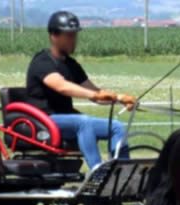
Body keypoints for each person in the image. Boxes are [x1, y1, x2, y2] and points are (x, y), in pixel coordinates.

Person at [26, 10, 137, 169]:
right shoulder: (42, 62)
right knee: (84, 123)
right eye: (69, 35)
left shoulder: (71, 65)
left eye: (75, 35)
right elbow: (62, 86)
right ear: (54, 36)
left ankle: (121, 172)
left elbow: (95, 94)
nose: (74, 40)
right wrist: (96, 94)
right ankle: (97, 173)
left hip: (68, 120)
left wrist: (120, 98)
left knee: (117, 127)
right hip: (44, 120)